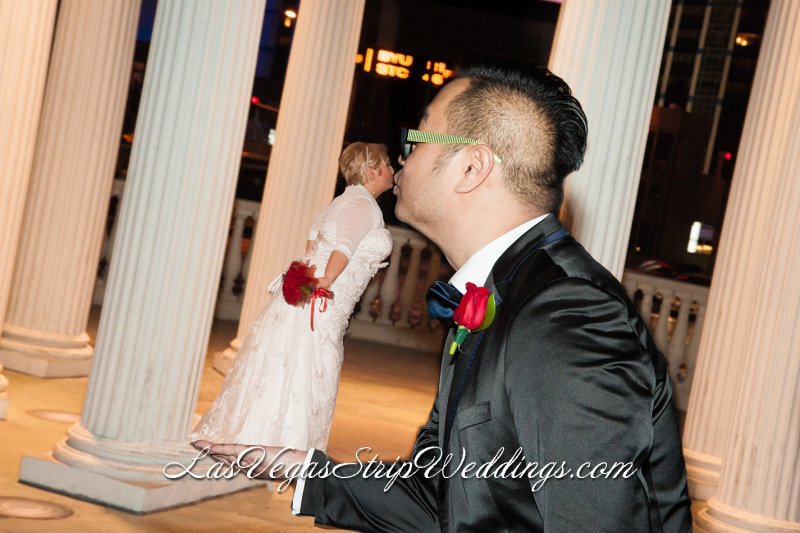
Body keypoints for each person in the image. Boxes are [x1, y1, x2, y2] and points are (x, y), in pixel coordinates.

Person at [194, 58, 692, 532]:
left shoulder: (568, 316)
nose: (403, 157)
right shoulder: (497, 291)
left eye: (416, 136)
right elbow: (443, 495)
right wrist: (303, 469)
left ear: (473, 168)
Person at [190, 142, 394, 451]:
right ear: (371, 171)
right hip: (322, 303)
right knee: (305, 370)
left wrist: (309, 276)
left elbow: (312, 244)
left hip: (316, 301)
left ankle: (263, 440)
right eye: (387, 164)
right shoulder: (362, 204)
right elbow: (344, 247)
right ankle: (287, 448)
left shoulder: (342, 200)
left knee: (289, 366)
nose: (392, 169)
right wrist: (326, 280)